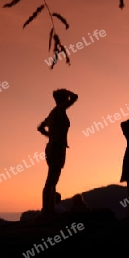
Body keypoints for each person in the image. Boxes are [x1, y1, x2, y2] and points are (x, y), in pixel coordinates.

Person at [37, 88, 78, 218]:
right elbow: (75, 97)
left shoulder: (53, 113)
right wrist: (65, 91)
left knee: (52, 179)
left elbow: (40, 127)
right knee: (52, 179)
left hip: (52, 146)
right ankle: (46, 210)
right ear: (63, 99)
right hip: (57, 147)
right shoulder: (60, 109)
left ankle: (49, 209)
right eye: (66, 97)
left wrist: (51, 135)